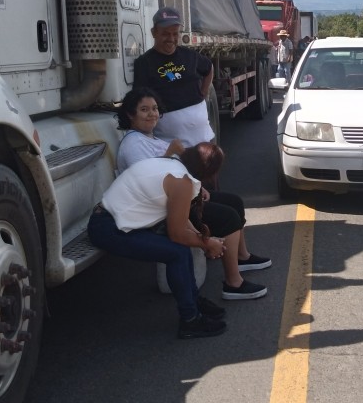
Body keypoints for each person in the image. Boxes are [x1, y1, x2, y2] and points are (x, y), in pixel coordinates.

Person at [115, 88, 271, 288]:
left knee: (234, 201)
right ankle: (234, 283)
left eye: (154, 109)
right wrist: (169, 154)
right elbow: (147, 182)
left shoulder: (150, 139)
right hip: (160, 210)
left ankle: (241, 256)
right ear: (130, 114)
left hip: (175, 198)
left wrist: (196, 187)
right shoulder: (133, 144)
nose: (152, 114)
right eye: (144, 109)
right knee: (228, 217)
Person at [88, 143, 237, 338]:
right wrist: (207, 244)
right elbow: (177, 233)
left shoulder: (170, 165)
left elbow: (180, 221)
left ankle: (192, 301)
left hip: (109, 220)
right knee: (177, 251)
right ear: (209, 172)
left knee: (179, 248)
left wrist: (204, 240)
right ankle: (190, 320)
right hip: (108, 228)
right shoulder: (182, 182)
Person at [132, 7, 214, 147]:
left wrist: (204, 91)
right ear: (154, 33)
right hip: (169, 146)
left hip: (203, 141)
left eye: (175, 34)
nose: (171, 39)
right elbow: (140, 101)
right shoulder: (144, 63)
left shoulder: (190, 55)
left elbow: (209, 67)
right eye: (165, 34)